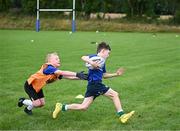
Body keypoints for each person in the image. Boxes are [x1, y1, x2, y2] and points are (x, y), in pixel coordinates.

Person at [52, 42, 135, 123]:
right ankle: (122, 115)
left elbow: (104, 75)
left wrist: (116, 74)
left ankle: (61, 106)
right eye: (108, 53)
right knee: (114, 94)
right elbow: (83, 57)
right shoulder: (95, 57)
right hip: (96, 84)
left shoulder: (102, 62)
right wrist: (92, 63)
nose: (108, 55)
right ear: (102, 51)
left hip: (92, 85)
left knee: (83, 107)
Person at [18, 52, 87, 115]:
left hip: (38, 87)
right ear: (50, 61)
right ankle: (23, 100)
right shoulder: (48, 68)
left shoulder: (54, 72)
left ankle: (27, 109)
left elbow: (67, 77)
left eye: (59, 58)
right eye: (56, 59)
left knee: (42, 104)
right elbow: (62, 72)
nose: (59, 60)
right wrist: (77, 74)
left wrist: (81, 77)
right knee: (37, 103)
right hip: (30, 86)